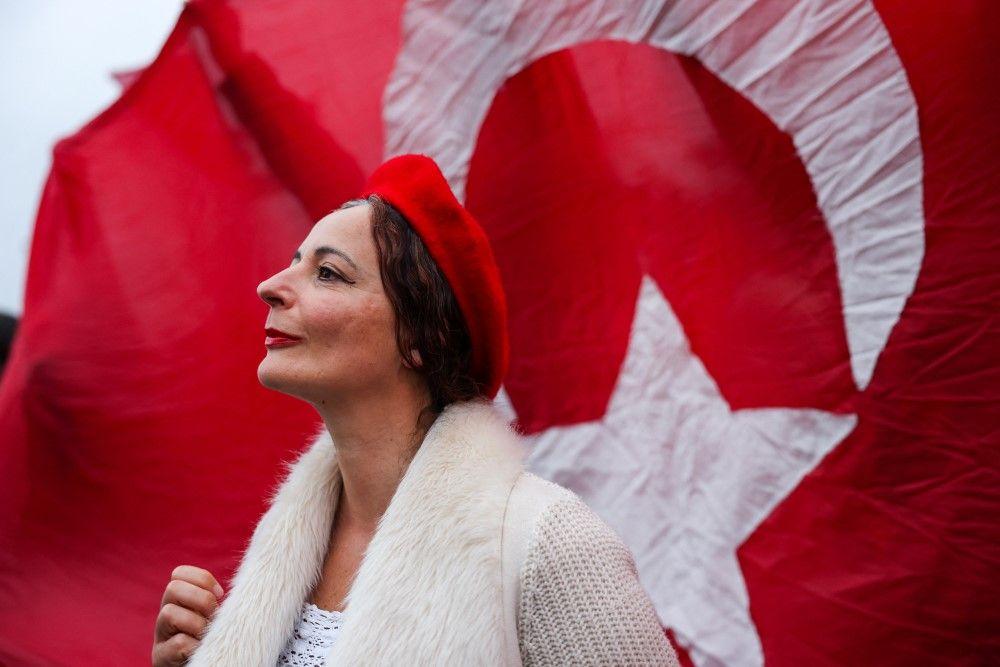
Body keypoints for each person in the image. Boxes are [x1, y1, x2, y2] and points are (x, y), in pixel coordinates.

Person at [151, 154, 679, 666]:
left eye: (328, 273)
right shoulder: (287, 549)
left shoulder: (550, 547)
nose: (269, 287)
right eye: (294, 263)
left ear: (419, 337)